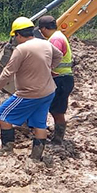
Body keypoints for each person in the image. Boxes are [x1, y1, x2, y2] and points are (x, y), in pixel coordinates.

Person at [0, 17, 64, 162]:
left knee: (3, 113)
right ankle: (36, 157)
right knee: (39, 123)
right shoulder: (45, 44)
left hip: (29, 93)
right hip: (48, 91)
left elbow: (7, 72)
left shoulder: (21, 49)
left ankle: (7, 148)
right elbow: (59, 56)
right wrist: (48, 68)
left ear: (18, 34)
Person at [37, 15, 74, 144]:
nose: (41, 33)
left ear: (44, 28)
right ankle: (57, 136)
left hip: (61, 78)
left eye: (41, 30)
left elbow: (53, 57)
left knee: (57, 110)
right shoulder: (58, 36)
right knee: (55, 109)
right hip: (64, 78)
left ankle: (58, 139)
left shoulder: (55, 40)